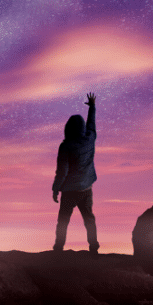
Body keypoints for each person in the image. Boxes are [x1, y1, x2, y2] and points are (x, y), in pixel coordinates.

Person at [52, 92, 99, 255]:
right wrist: (92, 106)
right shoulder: (90, 139)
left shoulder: (65, 147)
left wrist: (55, 188)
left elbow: (62, 171)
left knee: (63, 221)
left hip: (69, 191)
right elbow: (91, 124)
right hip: (86, 189)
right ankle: (94, 248)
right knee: (89, 219)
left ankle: (58, 249)